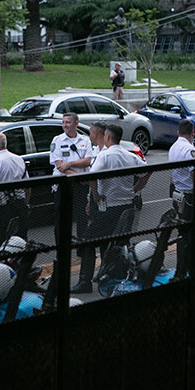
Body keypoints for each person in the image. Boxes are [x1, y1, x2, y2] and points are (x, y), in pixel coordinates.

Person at [72, 125, 147, 293]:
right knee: (117, 244)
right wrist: (135, 188)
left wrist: (96, 195)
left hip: (109, 208)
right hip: (127, 206)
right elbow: (147, 171)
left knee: (87, 242)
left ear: (106, 136)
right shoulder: (130, 156)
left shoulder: (104, 156)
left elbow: (92, 176)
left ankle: (85, 282)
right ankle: (112, 276)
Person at [0, 133, 30, 251]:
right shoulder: (19, 159)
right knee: (21, 243)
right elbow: (28, 186)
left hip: (3, 209)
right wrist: (26, 204)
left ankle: (5, 267)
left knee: (2, 245)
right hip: (20, 206)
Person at [50, 112, 92, 242]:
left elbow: (87, 161)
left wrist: (70, 164)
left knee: (82, 217)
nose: (64, 125)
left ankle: (82, 248)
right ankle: (61, 247)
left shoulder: (85, 140)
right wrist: (79, 176)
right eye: (63, 122)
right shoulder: (57, 140)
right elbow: (59, 166)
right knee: (61, 218)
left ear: (76, 123)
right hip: (64, 184)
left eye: (67, 122)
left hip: (81, 185)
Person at [168, 119, 195, 277]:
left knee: (183, 232)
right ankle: (186, 267)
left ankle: (184, 265)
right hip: (189, 195)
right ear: (192, 132)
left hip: (177, 193)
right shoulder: (189, 149)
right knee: (190, 233)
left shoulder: (174, 147)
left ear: (178, 132)